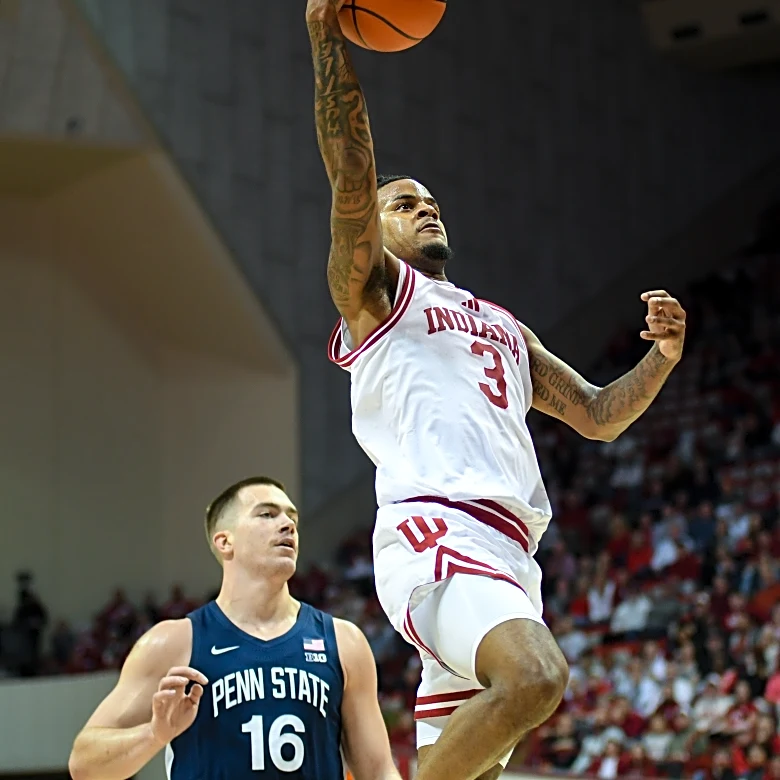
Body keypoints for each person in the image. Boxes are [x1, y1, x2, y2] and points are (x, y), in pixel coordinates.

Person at [306, 2, 688, 779]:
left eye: (431, 202)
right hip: (437, 532)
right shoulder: (379, 294)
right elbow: (350, 171)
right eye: (404, 204)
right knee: (537, 676)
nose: (426, 208)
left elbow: (599, 415)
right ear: (372, 228)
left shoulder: (505, 326)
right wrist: (325, 40)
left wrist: (664, 357)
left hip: (511, 552)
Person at [68, 476, 401, 780]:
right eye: (267, 514)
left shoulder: (343, 642)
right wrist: (155, 733)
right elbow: (84, 764)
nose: (287, 525)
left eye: (292, 518)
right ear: (225, 542)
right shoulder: (173, 642)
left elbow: (378, 770)